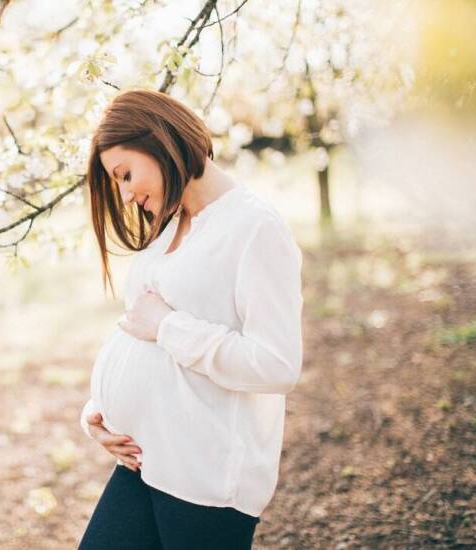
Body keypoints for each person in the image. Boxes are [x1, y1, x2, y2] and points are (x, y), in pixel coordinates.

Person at [77, 89, 304, 549]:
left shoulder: (254, 227)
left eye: (125, 175)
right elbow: (139, 324)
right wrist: (100, 411)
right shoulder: (171, 225)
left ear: (160, 142)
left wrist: (168, 328)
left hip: (206, 476)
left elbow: (277, 364)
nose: (124, 194)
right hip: (147, 459)